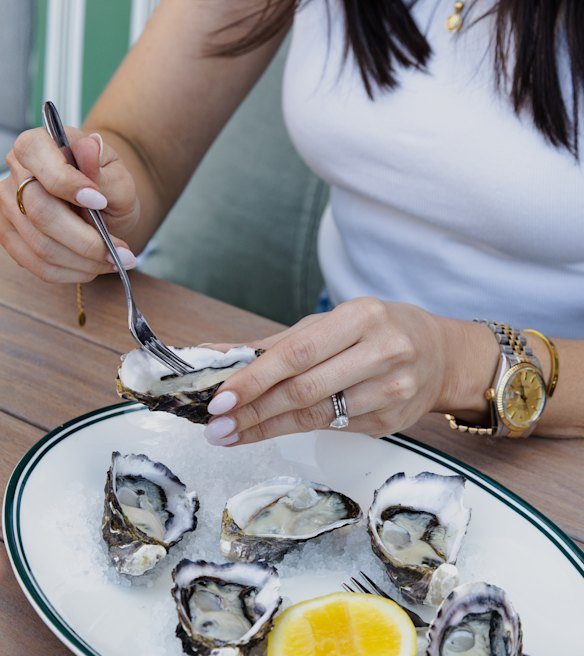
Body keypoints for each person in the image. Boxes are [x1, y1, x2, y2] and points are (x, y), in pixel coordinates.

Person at [1, 0, 582, 445]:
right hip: (333, 397)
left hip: (554, 427)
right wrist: (84, 203)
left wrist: (458, 364)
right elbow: (141, 149)